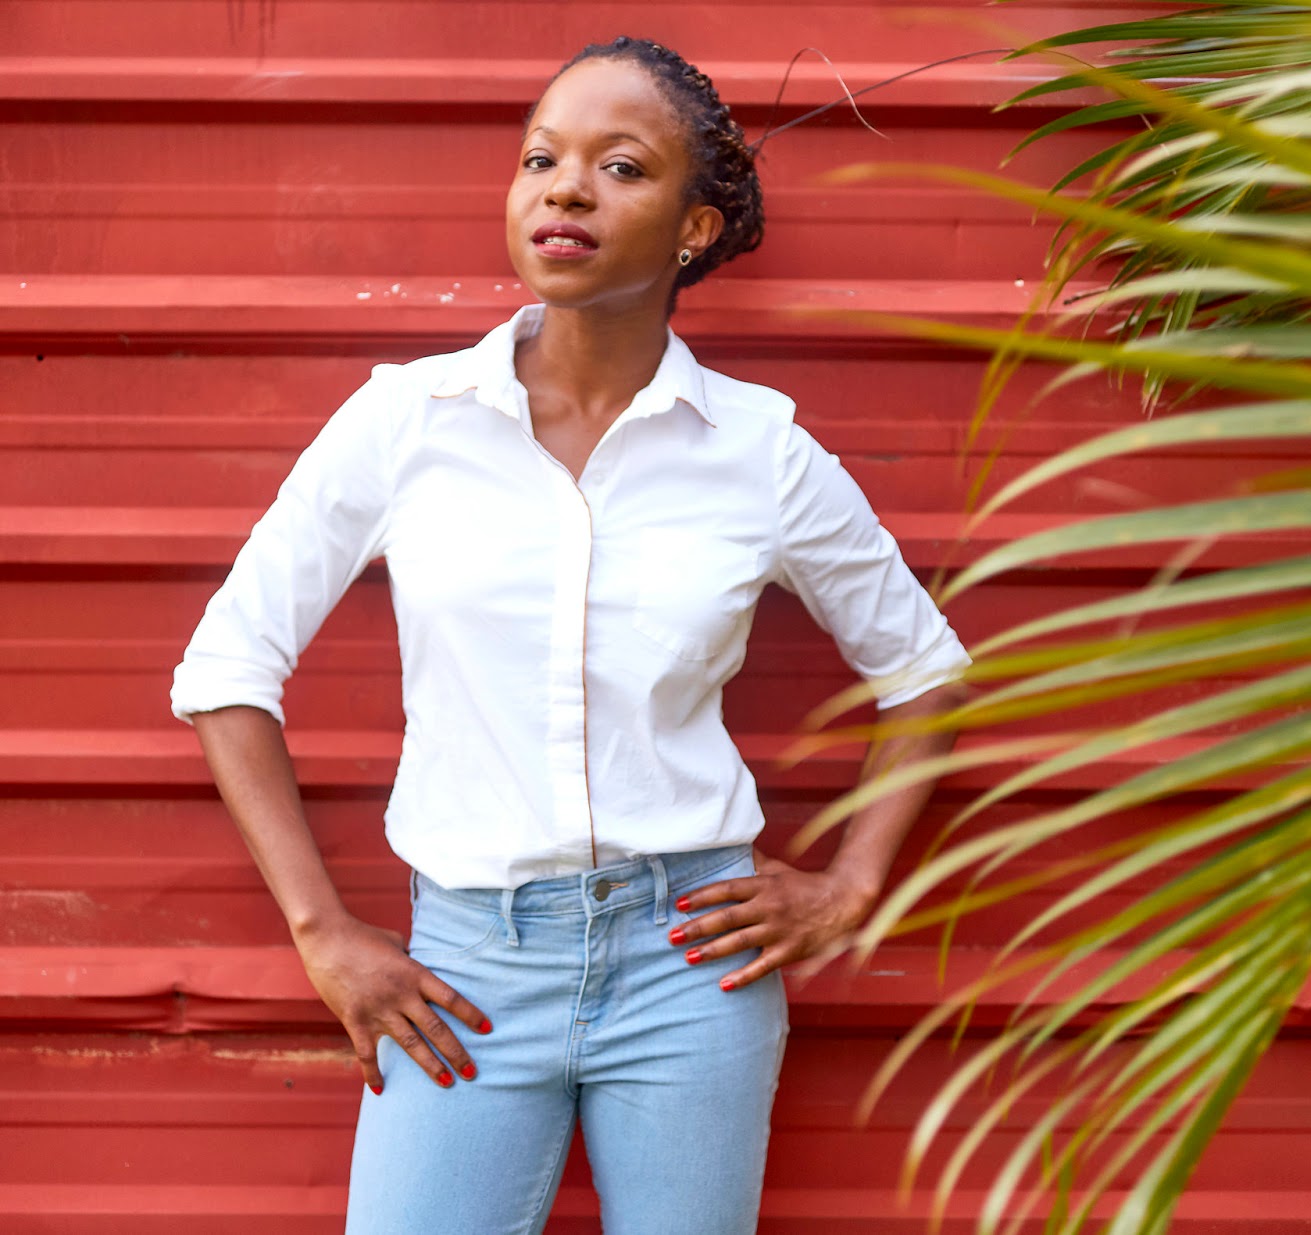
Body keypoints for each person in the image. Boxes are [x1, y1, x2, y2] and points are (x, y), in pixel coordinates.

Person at [171, 35, 969, 1235]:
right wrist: (321, 929)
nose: (566, 189)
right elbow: (227, 667)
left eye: (621, 167)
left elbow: (924, 671)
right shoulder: (407, 422)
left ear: (695, 229)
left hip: (692, 966)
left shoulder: (758, 450)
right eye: (540, 159)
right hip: (466, 971)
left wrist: (851, 885)